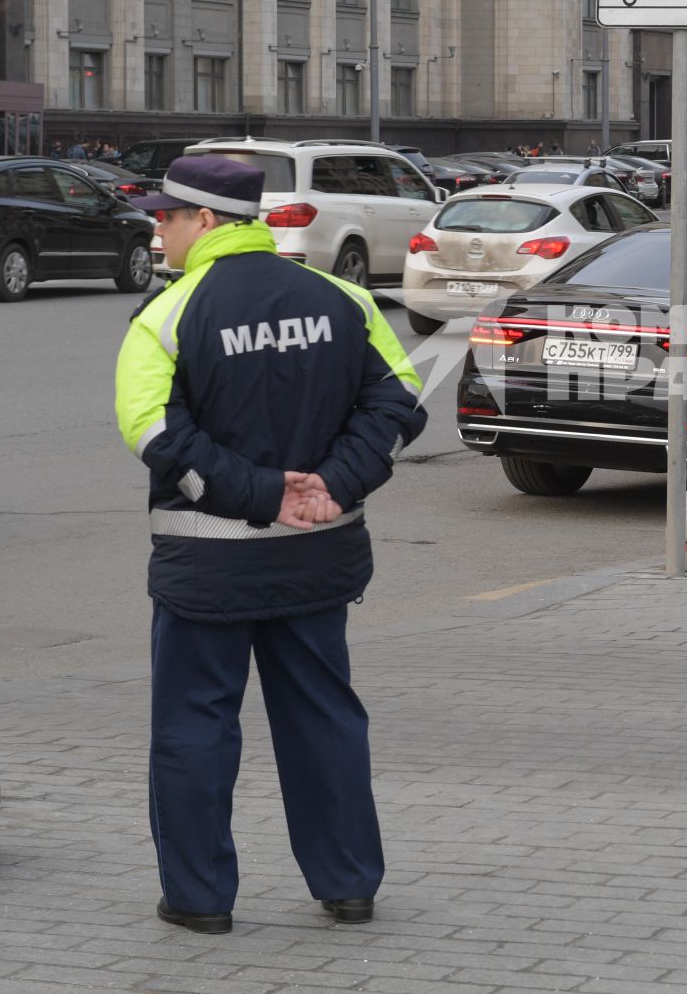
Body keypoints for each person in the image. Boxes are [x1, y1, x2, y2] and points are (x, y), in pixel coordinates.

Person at [115, 156, 427, 936]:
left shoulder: (168, 314)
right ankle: (349, 884)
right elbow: (399, 400)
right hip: (318, 556)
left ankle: (198, 898)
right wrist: (333, 484)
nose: (160, 230)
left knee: (194, 729)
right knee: (324, 718)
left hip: (208, 567)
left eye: (169, 217)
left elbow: (152, 430)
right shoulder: (343, 299)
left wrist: (259, 493)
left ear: (208, 221)